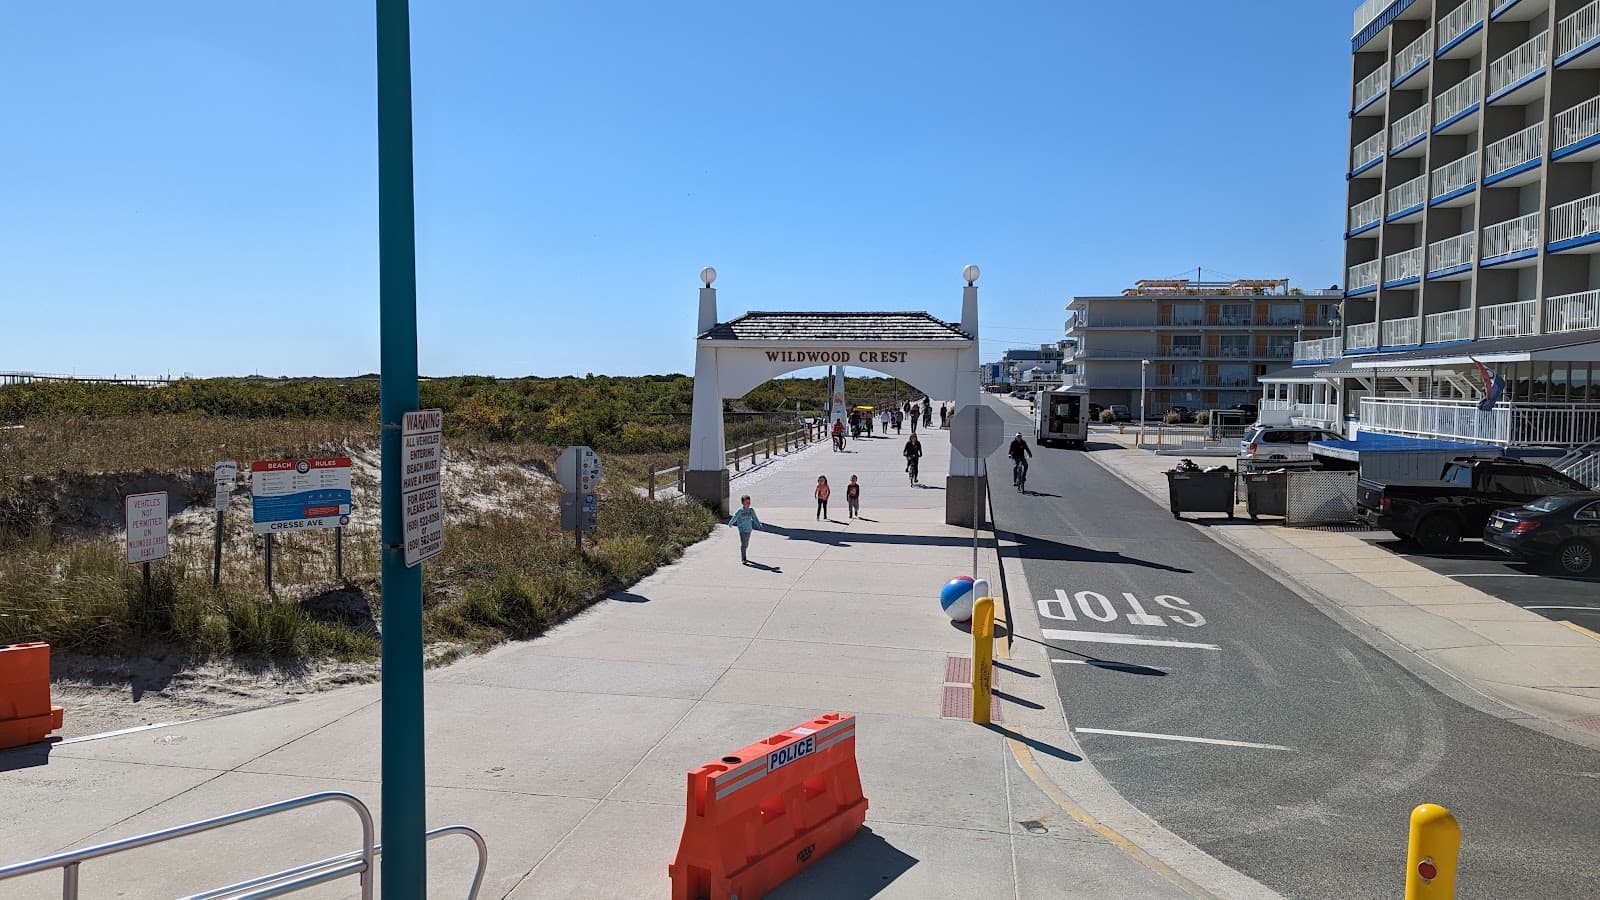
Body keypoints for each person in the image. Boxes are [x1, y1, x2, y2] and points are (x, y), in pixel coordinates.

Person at [728, 495, 762, 564]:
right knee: (743, 544)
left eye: (749, 502)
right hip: (742, 530)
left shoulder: (751, 510)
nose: (748, 503)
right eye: (746, 502)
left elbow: (755, 518)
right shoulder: (740, 511)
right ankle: (744, 559)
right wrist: (731, 523)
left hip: (749, 529)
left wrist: (758, 524)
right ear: (742, 503)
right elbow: (735, 517)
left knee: (746, 544)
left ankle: (744, 552)